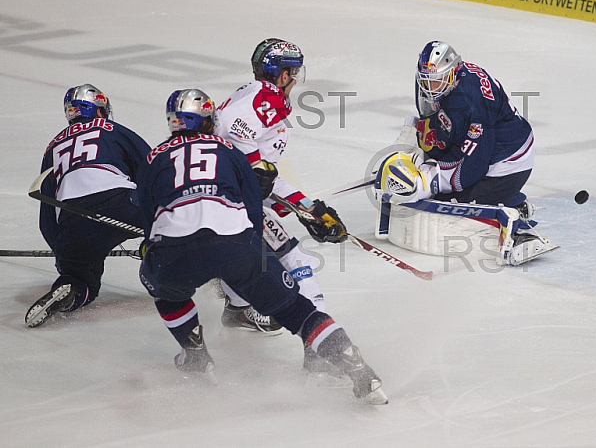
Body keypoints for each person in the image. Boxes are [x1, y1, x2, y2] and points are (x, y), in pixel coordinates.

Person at [136, 89, 386, 404]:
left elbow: (145, 209)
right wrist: (252, 248)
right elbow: (253, 205)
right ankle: (357, 368)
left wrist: (152, 247)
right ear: (209, 120)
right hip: (235, 244)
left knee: (165, 291)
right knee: (296, 310)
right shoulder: (229, 149)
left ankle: (196, 356)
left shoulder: (153, 157)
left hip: (175, 249)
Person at [213, 39, 346, 346]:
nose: (295, 79)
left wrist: (309, 209)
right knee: (296, 260)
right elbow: (249, 160)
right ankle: (321, 345)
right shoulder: (267, 98)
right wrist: (252, 169)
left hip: (218, 200)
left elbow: (266, 177)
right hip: (231, 203)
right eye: (293, 72)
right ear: (282, 74)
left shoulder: (249, 92)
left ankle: (238, 308)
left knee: (244, 256)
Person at [374, 41, 557, 265]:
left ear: (453, 71)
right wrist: (416, 151)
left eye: (437, 80)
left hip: (507, 162)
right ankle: (509, 200)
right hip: (487, 145)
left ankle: (518, 226)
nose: (431, 86)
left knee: (447, 202)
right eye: (426, 80)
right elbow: (438, 123)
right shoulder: (455, 82)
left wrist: (428, 180)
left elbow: (472, 167)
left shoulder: (470, 102)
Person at [25, 84, 151, 328]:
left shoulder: (53, 147)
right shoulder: (112, 129)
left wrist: (66, 255)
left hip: (72, 221)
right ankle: (157, 252)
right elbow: (153, 170)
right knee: (169, 216)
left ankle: (71, 289)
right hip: (119, 203)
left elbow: (47, 215)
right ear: (100, 110)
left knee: (81, 278)